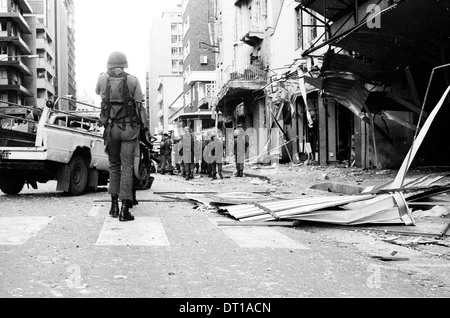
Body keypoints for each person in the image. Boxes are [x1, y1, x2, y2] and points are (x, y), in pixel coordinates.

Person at [96, 51, 149, 222]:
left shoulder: (103, 78)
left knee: (113, 166)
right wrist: (145, 129)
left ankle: (113, 206)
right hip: (128, 129)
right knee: (127, 167)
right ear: (125, 64)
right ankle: (125, 209)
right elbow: (140, 105)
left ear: (109, 63)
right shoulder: (133, 80)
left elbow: (98, 92)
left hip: (111, 128)